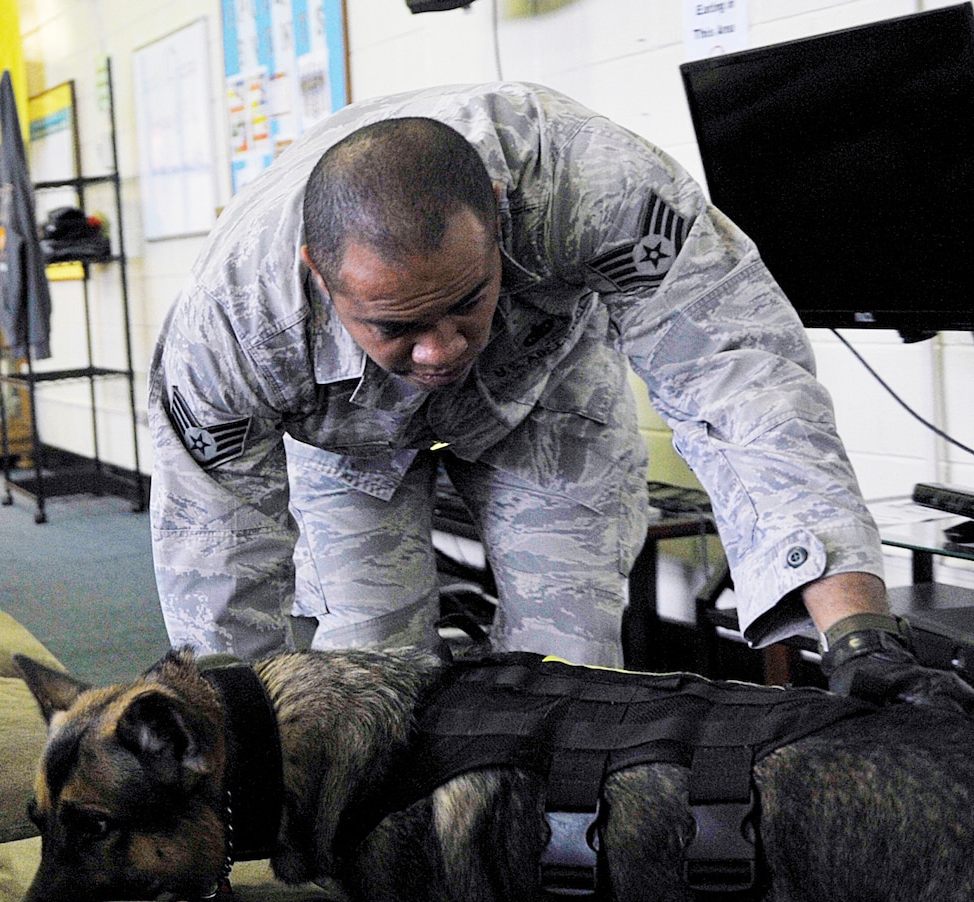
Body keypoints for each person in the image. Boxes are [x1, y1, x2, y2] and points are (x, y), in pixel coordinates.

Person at [149, 82, 973, 712]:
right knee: (372, 684)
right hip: (348, 438)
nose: (439, 351)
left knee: (572, 679)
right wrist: (229, 746)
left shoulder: (593, 188)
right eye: (399, 324)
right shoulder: (232, 324)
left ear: (501, 220)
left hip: (539, 387)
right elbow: (220, 558)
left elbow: (743, 385)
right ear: (317, 276)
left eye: (464, 301)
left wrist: (859, 636)